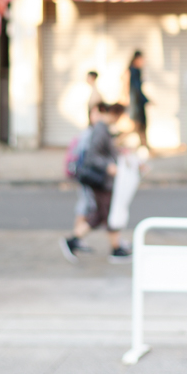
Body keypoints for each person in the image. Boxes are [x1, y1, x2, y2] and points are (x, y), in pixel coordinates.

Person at [60, 102, 133, 263]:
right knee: (108, 214)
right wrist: (108, 166)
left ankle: (73, 241)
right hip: (100, 181)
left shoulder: (104, 130)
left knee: (99, 215)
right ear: (115, 114)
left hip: (103, 181)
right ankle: (116, 249)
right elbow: (93, 157)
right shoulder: (101, 130)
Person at [126, 50, 150, 150]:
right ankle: (115, 142)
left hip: (136, 102)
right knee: (136, 126)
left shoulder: (132, 70)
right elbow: (136, 89)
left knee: (140, 126)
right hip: (136, 103)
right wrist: (145, 100)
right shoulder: (134, 71)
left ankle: (144, 145)